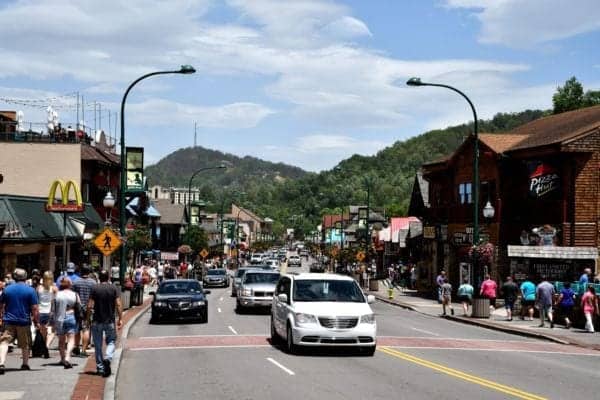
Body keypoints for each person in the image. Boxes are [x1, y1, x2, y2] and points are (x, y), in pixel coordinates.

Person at [0, 268, 39, 374]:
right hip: (24, 321)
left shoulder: (7, 289)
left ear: (14, 277)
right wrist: (36, 321)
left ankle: (1, 363)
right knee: (25, 344)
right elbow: (35, 308)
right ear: (25, 277)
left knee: (4, 342)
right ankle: (25, 364)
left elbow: (1, 305)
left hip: (9, 320)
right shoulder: (31, 290)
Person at [87, 270, 123, 377]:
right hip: (109, 321)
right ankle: (108, 357)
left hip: (97, 321)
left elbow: (90, 305)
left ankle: (100, 368)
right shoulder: (113, 288)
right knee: (111, 341)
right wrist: (120, 318)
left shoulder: (95, 288)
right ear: (108, 277)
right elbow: (118, 304)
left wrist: (87, 318)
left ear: (99, 278)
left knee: (97, 345)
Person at [53, 277, 81, 368]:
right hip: (71, 316)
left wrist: (52, 321)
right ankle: (68, 357)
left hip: (60, 318)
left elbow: (53, 308)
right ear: (70, 284)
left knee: (61, 340)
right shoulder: (75, 294)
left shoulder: (57, 294)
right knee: (71, 339)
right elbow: (79, 306)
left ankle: (62, 358)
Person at [72, 266, 96, 357]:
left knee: (77, 329)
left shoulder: (75, 282)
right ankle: (83, 349)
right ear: (89, 272)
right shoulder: (93, 283)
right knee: (86, 328)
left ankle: (76, 347)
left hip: (77, 308)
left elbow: (73, 295)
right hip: (89, 309)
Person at [37, 271, 57, 358]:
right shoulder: (54, 288)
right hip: (50, 312)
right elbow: (55, 302)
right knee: (52, 331)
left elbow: (36, 302)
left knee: (43, 331)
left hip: (40, 312)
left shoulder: (38, 288)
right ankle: (47, 346)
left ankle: (44, 347)